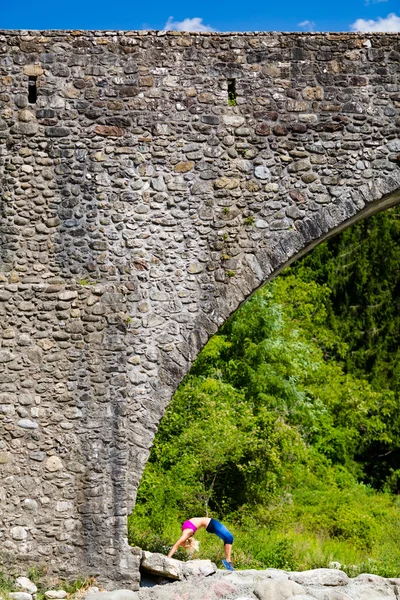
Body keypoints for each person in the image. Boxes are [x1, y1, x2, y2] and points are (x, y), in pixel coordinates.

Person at [167, 517, 235, 571]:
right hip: (210, 523)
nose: (180, 543)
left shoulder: (186, 533)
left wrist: (168, 558)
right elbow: (176, 545)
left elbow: (175, 545)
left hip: (210, 523)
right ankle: (227, 561)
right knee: (229, 538)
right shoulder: (187, 532)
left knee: (229, 538)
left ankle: (228, 560)